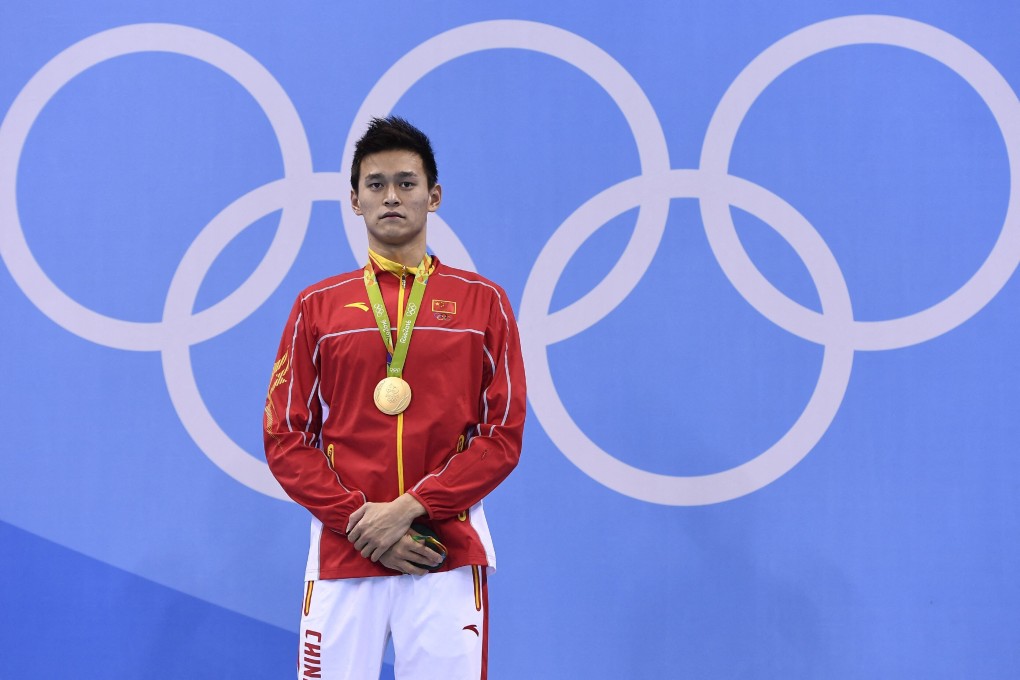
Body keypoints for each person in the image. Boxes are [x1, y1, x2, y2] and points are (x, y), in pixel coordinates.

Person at [263, 115, 526, 680]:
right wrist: (360, 521)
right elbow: (285, 436)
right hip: (343, 552)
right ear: (355, 200)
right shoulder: (318, 306)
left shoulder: (484, 304)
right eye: (375, 184)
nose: (391, 197)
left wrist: (408, 511)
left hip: (444, 551)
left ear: (433, 196)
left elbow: (501, 436)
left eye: (406, 183)